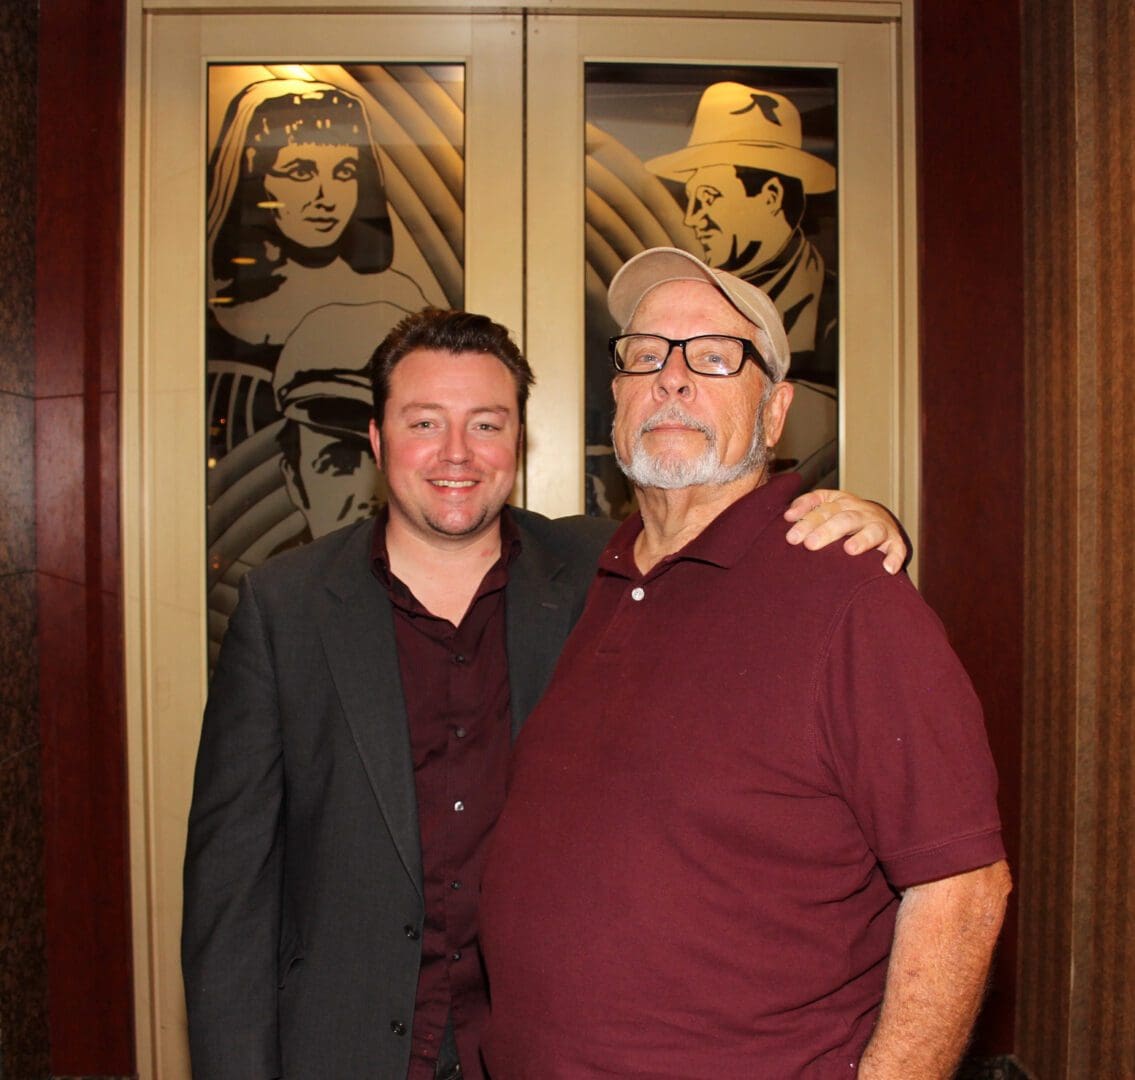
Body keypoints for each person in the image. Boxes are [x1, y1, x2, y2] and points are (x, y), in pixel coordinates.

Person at [182, 306, 908, 1079]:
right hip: (346, 1044)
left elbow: (739, 537)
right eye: (424, 422)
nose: (456, 453)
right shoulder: (284, 606)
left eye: (486, 424)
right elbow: (232, 889)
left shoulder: (609, 572)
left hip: (547, 1046)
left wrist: (867, 520)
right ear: (376, 438)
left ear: (518, 443)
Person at [479, 248, 1012, 1079]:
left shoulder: (849, 599)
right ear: (614, 396)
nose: (672, 378)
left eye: (716, 357)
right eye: (645, 354)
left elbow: (963, 890)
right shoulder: (588, 578)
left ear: (774, 413)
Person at [647, 81, 837, 385]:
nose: (692, 218)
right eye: (649, 357)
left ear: (771, 196)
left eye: (708, 197)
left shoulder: (833, 321)